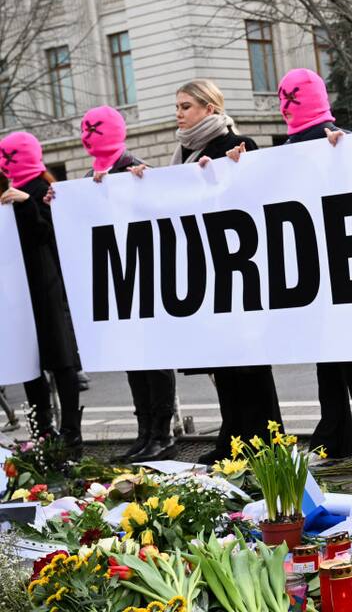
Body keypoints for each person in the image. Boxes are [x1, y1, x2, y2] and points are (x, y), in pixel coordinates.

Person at [235, 68, 352, 461]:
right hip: (315, 265)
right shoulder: (287, 152)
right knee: (327, 356)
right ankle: (335, 434)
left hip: (349, 260)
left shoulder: (343, 143)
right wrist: (236, 165)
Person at [169, 80, 284, 465]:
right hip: (209, 270)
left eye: (186, 106)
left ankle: (265, 438)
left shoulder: (238, 145)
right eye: (178, 107)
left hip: (240, 267)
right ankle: (232, 436)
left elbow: (256, 199)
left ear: (209, 107)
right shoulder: (184, 153)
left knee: (249, 359)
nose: (179, 113)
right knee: (222, 360)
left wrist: (227, 172)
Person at [80, 106, 176, 461]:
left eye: (94, 129)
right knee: (134, 359)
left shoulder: (135, 168)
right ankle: (145, 432)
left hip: (146, 275)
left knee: (154, 358)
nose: (87, 136)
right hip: (120, 277)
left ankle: (162, 433)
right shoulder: (94, 174)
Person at [0, 132, 83, 457]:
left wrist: (27, 205)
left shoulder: (45, 190)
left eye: (11, 155)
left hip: (46, 286)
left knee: (61, 361)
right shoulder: (5, 191)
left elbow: (51, 235)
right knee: (30, 362)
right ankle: (43, 431)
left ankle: (71, 434)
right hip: (18, 289)